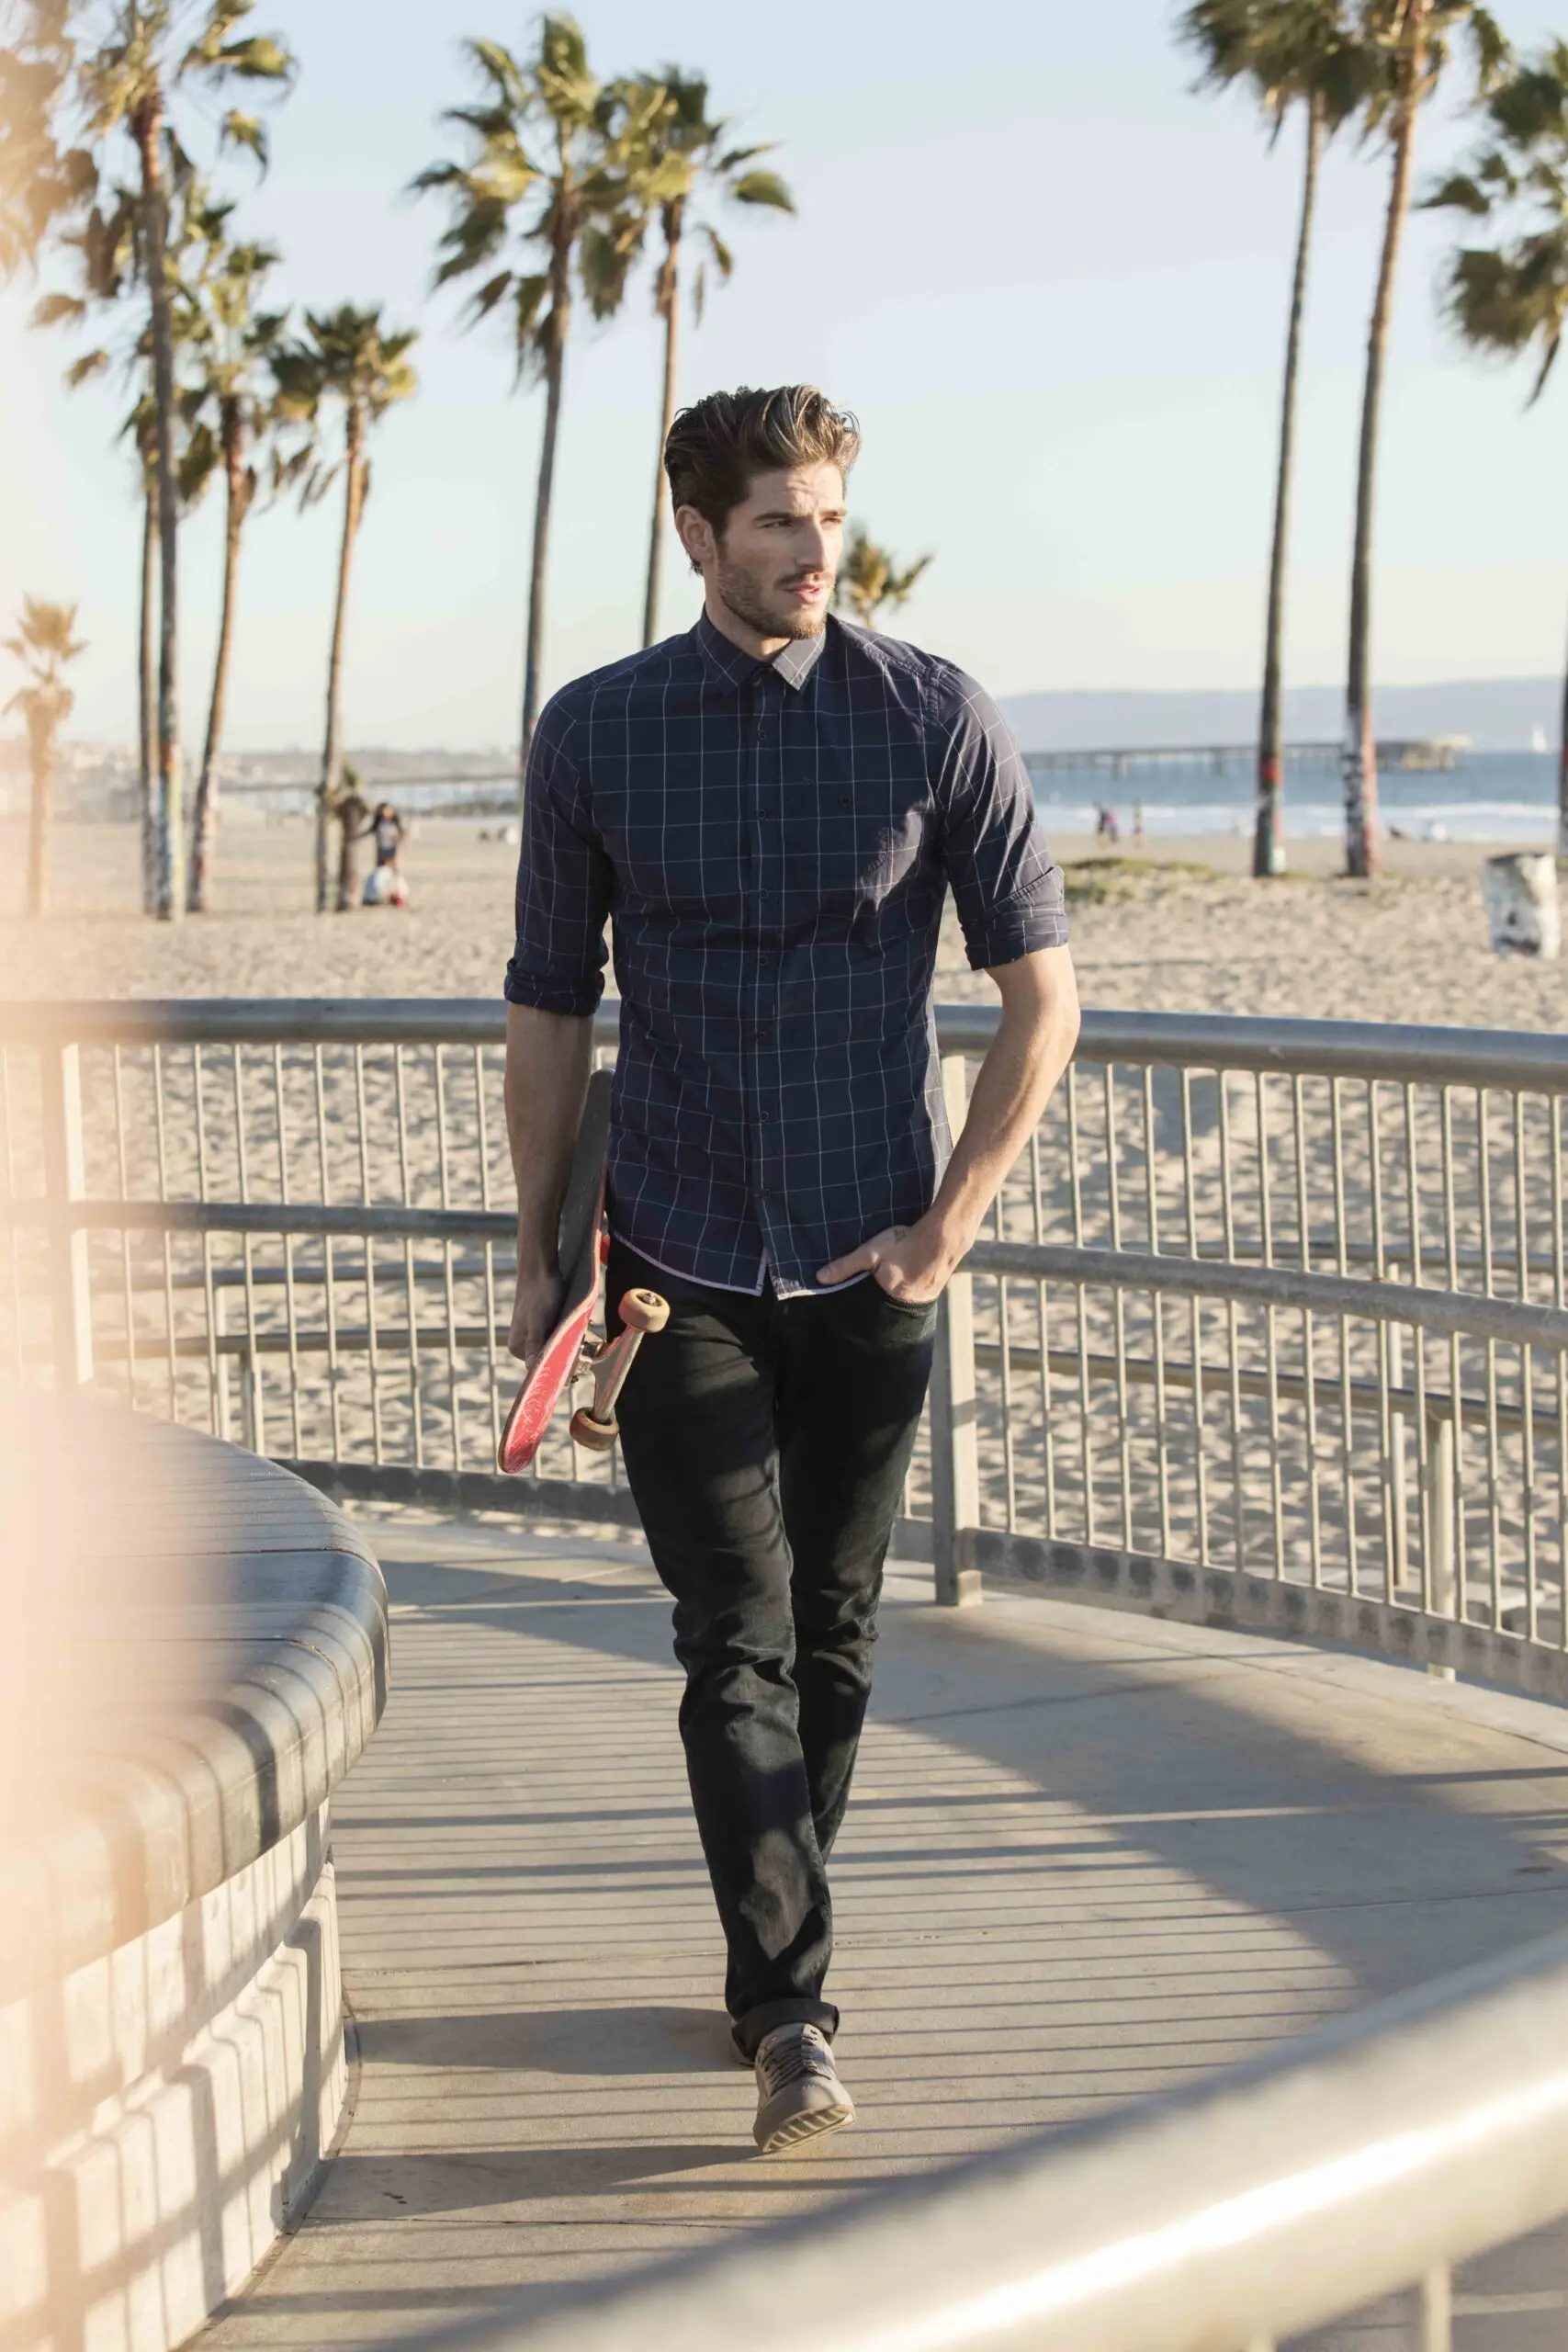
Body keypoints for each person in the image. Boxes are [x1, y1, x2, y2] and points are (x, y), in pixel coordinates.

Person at [502, 384, 1079, 2155]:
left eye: (826, 517)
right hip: (672, 1261)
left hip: (870, 1265)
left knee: (831, 1632)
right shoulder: (594, 731)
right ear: (695, 534)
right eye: (774, 523)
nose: (812, 551)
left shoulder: (932, 717)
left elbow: (1040, 995)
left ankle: (776, 1938)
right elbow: (545, 1006)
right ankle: (788, 2015)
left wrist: (947, 1226)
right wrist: (540, 1260)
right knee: (730, 1635)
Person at [362, 800, 408, 907]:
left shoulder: (395, 824)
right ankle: (381, 895)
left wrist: (397, 842)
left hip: (392, 850)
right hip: (381, 850)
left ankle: (398, 895)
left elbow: (402, 836)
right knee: (380, 874)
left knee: (393, 874)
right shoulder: (379, 823)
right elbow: (370, 831)